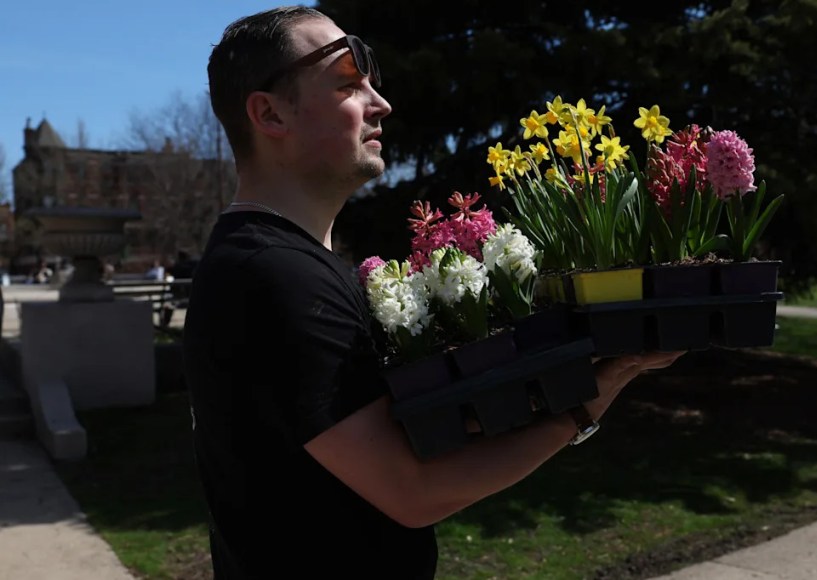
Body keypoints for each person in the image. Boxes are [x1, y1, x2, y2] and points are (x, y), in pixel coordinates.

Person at [183, 6, 685, 579]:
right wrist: (585, 403)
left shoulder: (283, 264)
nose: (381, 104)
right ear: (270, 113)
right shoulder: (271, 276)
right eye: (348, 85)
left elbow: (408, 428)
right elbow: (413, 489)